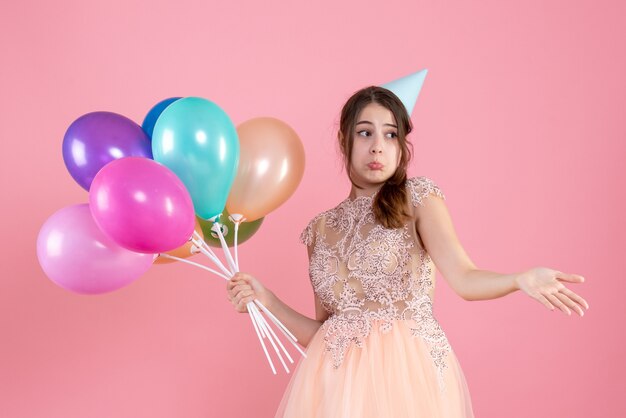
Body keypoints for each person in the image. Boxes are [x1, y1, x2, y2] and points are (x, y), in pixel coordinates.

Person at [226, 86, 589, 417]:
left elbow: (464, 278)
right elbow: (326, 332)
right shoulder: (320, 230)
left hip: (407, 381)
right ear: (344, 140)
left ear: (402, 145)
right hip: (337, 392)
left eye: (391, 134)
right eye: (365, 132)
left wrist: (519, 279)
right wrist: (268, 302)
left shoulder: (417, 200)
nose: (378, 147)